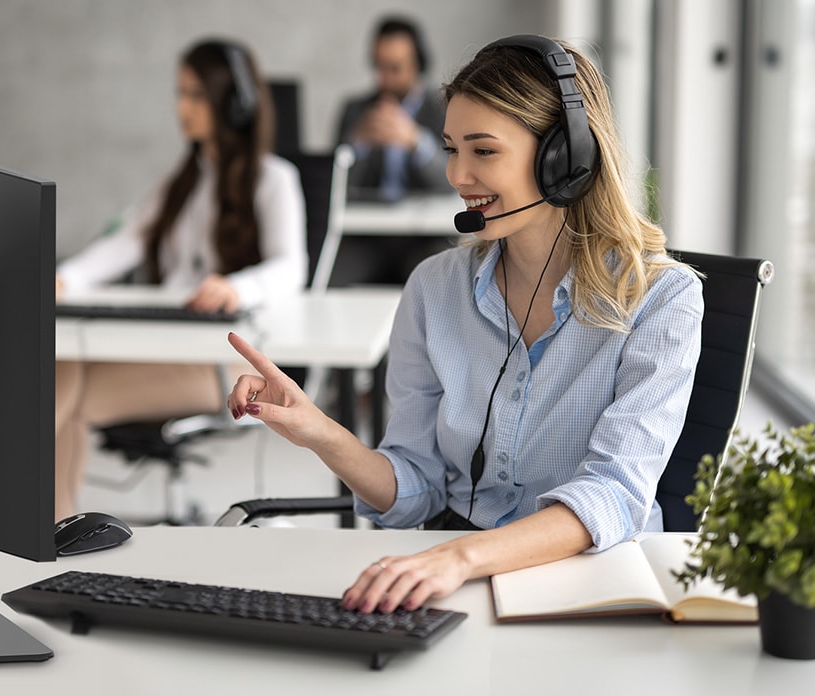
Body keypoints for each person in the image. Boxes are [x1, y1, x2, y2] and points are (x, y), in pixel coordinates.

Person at [227, 35, 703, 614]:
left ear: (565, 157)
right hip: (460, 576)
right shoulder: (434, 288)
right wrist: (321, 432)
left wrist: (460, 557)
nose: (457, 174)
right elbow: (416, 486)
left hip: (589, 585)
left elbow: (614, 493)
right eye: (452, 148)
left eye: (483, 150)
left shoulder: (662, 298)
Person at [54, 39, 307, 522]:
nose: (182, 108)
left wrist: (238, 288)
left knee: (60, 395)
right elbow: (126, 241)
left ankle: (47, 527)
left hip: (220, 363)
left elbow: (291, 267)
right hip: (163, 347)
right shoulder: (183, 181)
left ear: (233, 104)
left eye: (196, 95)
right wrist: (64, 279)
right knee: (60, 369)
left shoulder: (274, 179)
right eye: (180, 94)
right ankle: (50, 528)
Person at [335, 16, 451, 202]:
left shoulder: (444, 108)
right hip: (367, 217)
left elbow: (453, 184)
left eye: (394, 68)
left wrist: (417, 142)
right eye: (378, 66)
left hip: (426, 219)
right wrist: (357, 144)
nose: (384, 78)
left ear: (417, 66)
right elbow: (336, 185)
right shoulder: (355, 110)